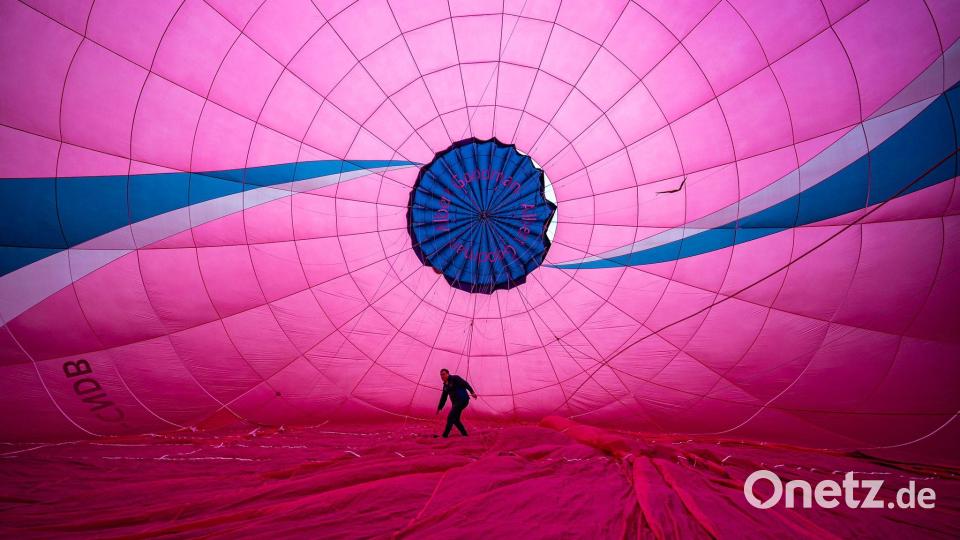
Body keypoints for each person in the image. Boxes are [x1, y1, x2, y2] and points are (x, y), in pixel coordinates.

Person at [436, 369, 477, 437]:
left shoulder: (455, 378)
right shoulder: (445, 386)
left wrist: (472, 392)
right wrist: (440, 407)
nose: (442, 376)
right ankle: (464, 434)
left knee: (450, 417)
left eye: (443, 374)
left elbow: (465, 384)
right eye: (441, 375)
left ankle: (444, 436)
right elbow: (443, 398)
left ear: (448, 374)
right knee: (455, 420)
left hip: (463, 400)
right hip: (455, 403)